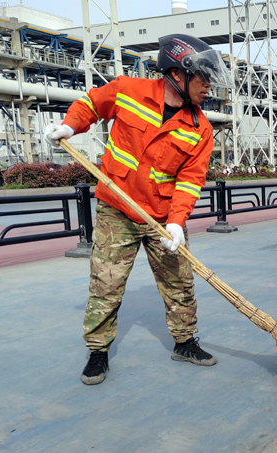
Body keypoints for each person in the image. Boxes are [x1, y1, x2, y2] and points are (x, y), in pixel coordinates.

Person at [44, 34, 231, 385]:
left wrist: (176, 223)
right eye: (203, 77)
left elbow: (190, 180)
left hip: (162, 217)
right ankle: (98, 352)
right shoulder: (128, 90)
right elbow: (91, 105)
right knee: (106, 283)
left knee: (179, 282)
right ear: (177, 73)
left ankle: (185, 342)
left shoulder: (200, 129)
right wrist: (70, 125)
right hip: (117, 210)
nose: (209, 86)